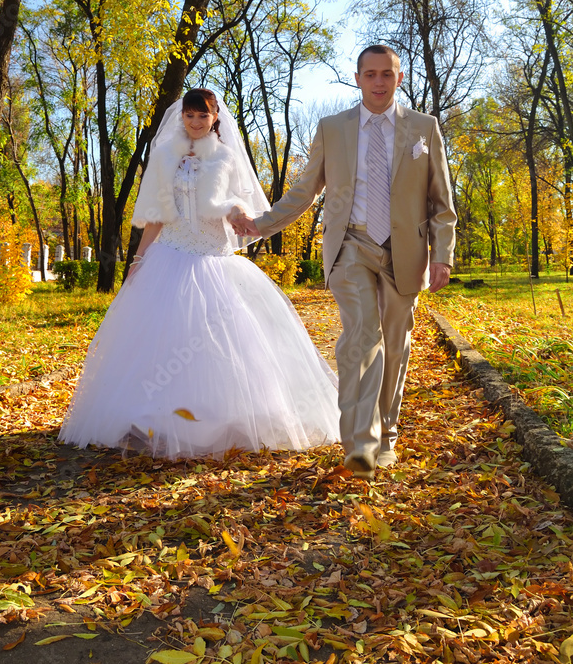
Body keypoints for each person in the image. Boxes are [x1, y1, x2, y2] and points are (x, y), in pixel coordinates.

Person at [59, 88, 340, 459]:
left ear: (215, 118)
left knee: (225, 342)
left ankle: (230, 421)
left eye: (202, 116)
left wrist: (237, 212)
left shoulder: (225, 157)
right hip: (169, 258)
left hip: (213, 258)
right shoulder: (163, 157)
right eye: (190, 116)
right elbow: (156, 215)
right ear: (182, 117)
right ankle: (153, 421)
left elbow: (235, 202)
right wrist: (140, 260)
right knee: (163, 343)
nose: (195, 122)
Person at [231, 45, 456, 480]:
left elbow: (441, 203)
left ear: (400, 77)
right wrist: (263, 224)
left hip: (404, 252)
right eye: (370, 74)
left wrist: (442, 255)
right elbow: (305, 188)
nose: (378, 82)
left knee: (395, 344)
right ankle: (360, 443)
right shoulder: (333, 129)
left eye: (386, 74)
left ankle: (386, 434)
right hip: (350, 246)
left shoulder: (424, 128)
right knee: (360, 336)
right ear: (357, 78)